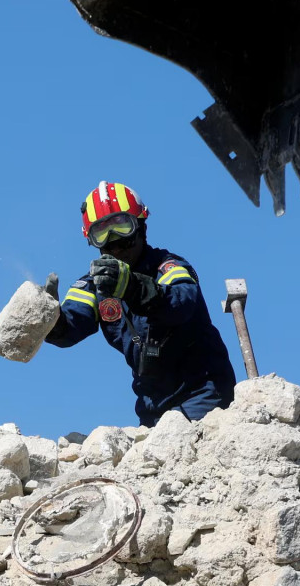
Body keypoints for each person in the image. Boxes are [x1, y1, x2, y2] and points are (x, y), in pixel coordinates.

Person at [44, 181, 236, 427]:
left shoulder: (169, 266)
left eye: (122, 227)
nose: (115, 241)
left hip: (202, 391)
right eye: (103, 232)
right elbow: (70, 325)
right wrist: (49, 318)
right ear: (93, 240)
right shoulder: (94, 284)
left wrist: (134, 288)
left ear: (141, 226)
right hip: (151, 404)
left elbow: (182, 302)